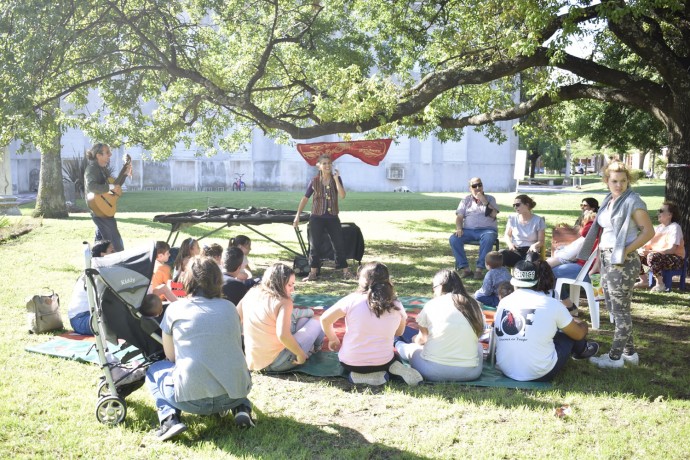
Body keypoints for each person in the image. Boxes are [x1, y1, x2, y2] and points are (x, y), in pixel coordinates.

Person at [145, 256, 253, 441]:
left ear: (187, 279)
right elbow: (235, 347)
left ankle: (169, 418)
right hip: (234, 394)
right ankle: (242, 407)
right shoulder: (230, 308)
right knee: (230, 365)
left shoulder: (175, 309)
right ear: (218, 280)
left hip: (190, 399)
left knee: (154, 369)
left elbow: (171, 357)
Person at [577, 161, 654, 369]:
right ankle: (630, 354)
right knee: (614, 308)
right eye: (614, 181)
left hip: (623, 261)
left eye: (622, 181)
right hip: (607, 259)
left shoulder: (633, 201)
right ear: (607, 181)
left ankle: (614, 358)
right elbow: (605, 234)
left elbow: (648, 232)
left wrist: (625, 251)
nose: (618, 185)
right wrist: (599, 260)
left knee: (620, 311)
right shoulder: (608, 199)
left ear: (628, 180)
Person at [493, 260, 599, 382]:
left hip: (506, 369)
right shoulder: (551, 303)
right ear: (538, 279)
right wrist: (583, 324)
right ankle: (582, 351)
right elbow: (578, 334)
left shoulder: (504, 302)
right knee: (568, 333)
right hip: (541, 372)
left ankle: (582, 350)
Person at [320, 262, 423, 386]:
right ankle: (394, 368)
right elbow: (399, 333)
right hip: (383, 361)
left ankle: (359, 376)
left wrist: (332, 339)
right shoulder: (396, 305)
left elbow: (325, 319)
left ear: (363, 280)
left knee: (359, 364)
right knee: (392, 358)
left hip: (350, 361)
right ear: (388, 281)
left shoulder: (352, 300)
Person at [394, 269, 485, 382]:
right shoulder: (474, 305)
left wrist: (414, 340)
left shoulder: (432, 305)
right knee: (479, 347)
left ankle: (397, 343)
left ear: (440, 287)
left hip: (433, 371)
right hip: (471, 372)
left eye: (433, 288)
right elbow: (478, 334)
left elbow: (422, 339)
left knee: (412, 349)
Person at [237, 263, 324, 372]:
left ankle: (313, 347)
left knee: (304, 320)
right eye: (289, 285)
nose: (292, 289)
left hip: (254, 361)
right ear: (279, 283)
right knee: (318, 320)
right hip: (279, 362)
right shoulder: (284, 302)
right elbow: (283, 335)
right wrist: (300, 354)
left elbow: (235, 319)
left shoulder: (252, 293)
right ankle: (316, 348)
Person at [293, 155, 353, 281]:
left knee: (339, 244)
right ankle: (313, 273)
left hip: (332, 217)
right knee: (314, 245)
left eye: (329, 163)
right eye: (324, 163)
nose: (327, 166)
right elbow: (305, 198)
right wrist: (297, 216)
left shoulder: (336, 179)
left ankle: (345, 272)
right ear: (318, 166)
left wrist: (336, 179)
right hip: (317, 217)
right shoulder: (314, 181)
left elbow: (342, 195)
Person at [448, 177, 500, 279]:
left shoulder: (490, 199)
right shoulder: (465, 200)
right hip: (469, 230)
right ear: (470, 188)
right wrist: (459, 228)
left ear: (482, 186)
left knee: (488, 237)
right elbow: (459, 218)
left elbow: (494, 214)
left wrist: (484, 201)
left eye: (479, 185)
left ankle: (479, 269)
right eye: (474, 186)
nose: (477, 187)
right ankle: (466, 269)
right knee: (454, 239)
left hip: (487, 230)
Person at [84, 143, 130, 252]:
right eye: (107, 153)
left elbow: (114, 187)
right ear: (98, 155)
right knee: (115, 244)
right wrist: (112, 187)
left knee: (102, 243)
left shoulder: (102, 168)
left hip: (104, 209)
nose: (110, 155)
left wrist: (125, 173)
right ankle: (115, 263)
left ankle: (96, 261)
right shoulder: (92, 169)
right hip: (99, 209)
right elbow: (91, 187)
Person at [634, 201, 685, 292]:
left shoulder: (675, 228)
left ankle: (660, 284)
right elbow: (647, 245)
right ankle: (644, 281)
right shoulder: (658, 228)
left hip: (675, 259)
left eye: (661, 210)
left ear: (670, 215)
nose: (658, 213)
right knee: (634, 254)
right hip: (658, 257)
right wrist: (642, 250)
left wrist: (650, 252)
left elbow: (671, 250)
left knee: (652, 256)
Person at [68, 241, 115, 335]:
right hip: (81, 319)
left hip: (89, 316)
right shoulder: (96, 273)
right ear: (103, 255)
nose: (115, 253)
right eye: (112, 251)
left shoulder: (97, 271)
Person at [500, 194, 545, 267]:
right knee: (501, 254)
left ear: (527, 205)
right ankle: (501, 277)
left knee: (530, 260)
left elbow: (541, 241)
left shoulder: (538, 220)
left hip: (530, 250)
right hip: (516, 250)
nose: (515, 207)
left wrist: (534, 245)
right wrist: (510, 245)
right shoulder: (512, 218)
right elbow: (507, 235)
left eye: (517, 205)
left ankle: (528, 276)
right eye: (514, 205)